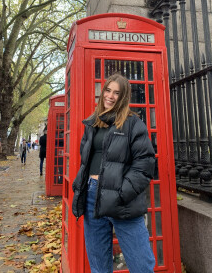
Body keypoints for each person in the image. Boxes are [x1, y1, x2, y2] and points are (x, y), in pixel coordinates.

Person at [72, 73, 156, 273]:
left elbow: (145, 164)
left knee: (141, 266)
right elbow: (86, 161)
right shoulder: (92, 123)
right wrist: (80, 186)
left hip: (121, 201)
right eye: (108, 90)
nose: (110, 96)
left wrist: (121, 193)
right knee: (99, 267)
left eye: (116, 93)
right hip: (92, 197)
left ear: (124, 96)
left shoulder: (133, 123)